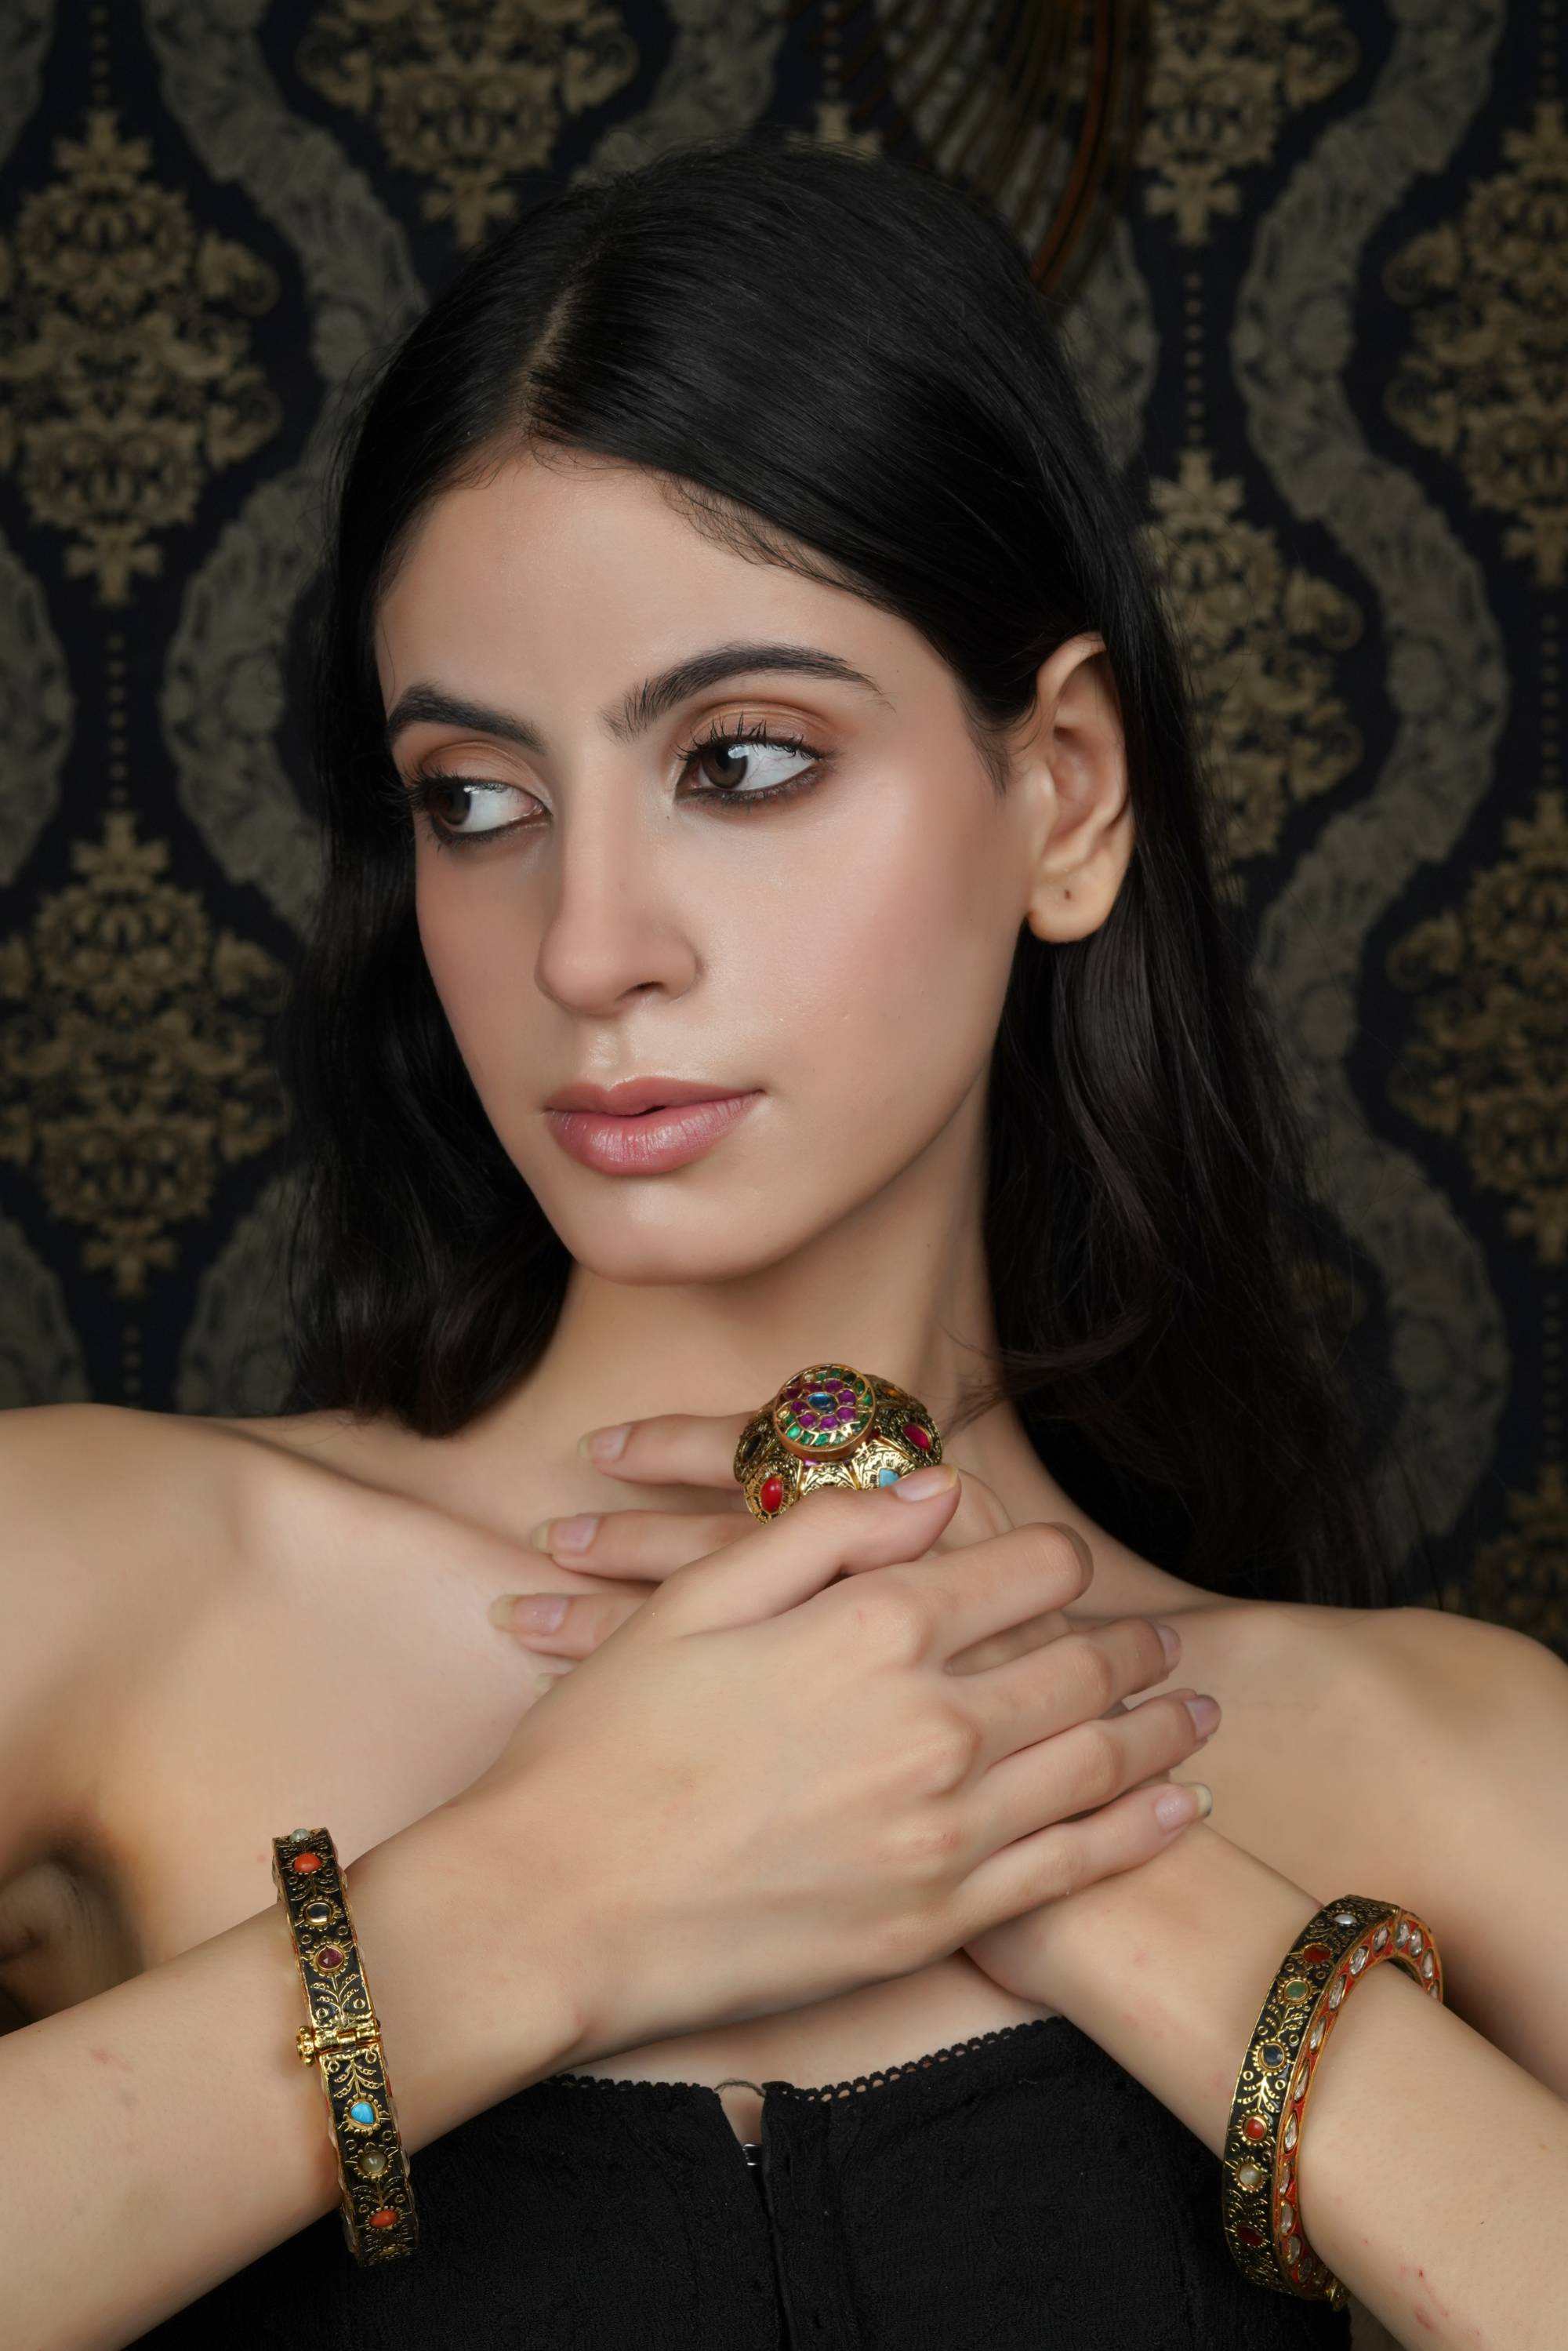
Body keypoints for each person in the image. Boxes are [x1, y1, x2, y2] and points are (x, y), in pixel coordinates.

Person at [2, 136, 1564, 2351]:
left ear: (1068, 796)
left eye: (740, 759)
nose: (591, 944)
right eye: (477, 799)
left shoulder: (1449, 1760)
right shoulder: (96, 1584)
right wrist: (547, 1903)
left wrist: (1125, 1899)